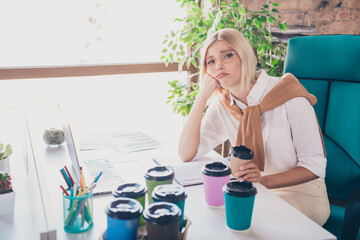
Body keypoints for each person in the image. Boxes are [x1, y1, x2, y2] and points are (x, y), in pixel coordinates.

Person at [178, 28, 330, 225]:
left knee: (239, 215)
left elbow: (314, 166)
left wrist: (263, 181)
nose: (219, 66)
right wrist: (202, 97)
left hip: (303, 195)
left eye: (228, 56)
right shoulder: (224, 105)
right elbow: (187, 153)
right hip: (256, 191)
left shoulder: (289, 96)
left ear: (245, 56)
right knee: (213, 211)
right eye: (211, 61)